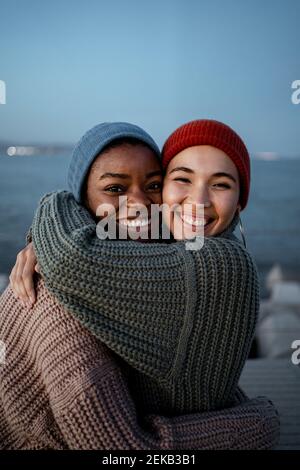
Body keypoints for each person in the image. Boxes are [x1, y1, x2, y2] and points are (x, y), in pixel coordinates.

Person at [2, 121, 280, 449]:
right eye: (116, 189)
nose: (139, 204)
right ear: (82, 202)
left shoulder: (205, 261)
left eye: (152, 185)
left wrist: (51, 218)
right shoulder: (56, 294)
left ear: (241, 200)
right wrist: (258, 423)